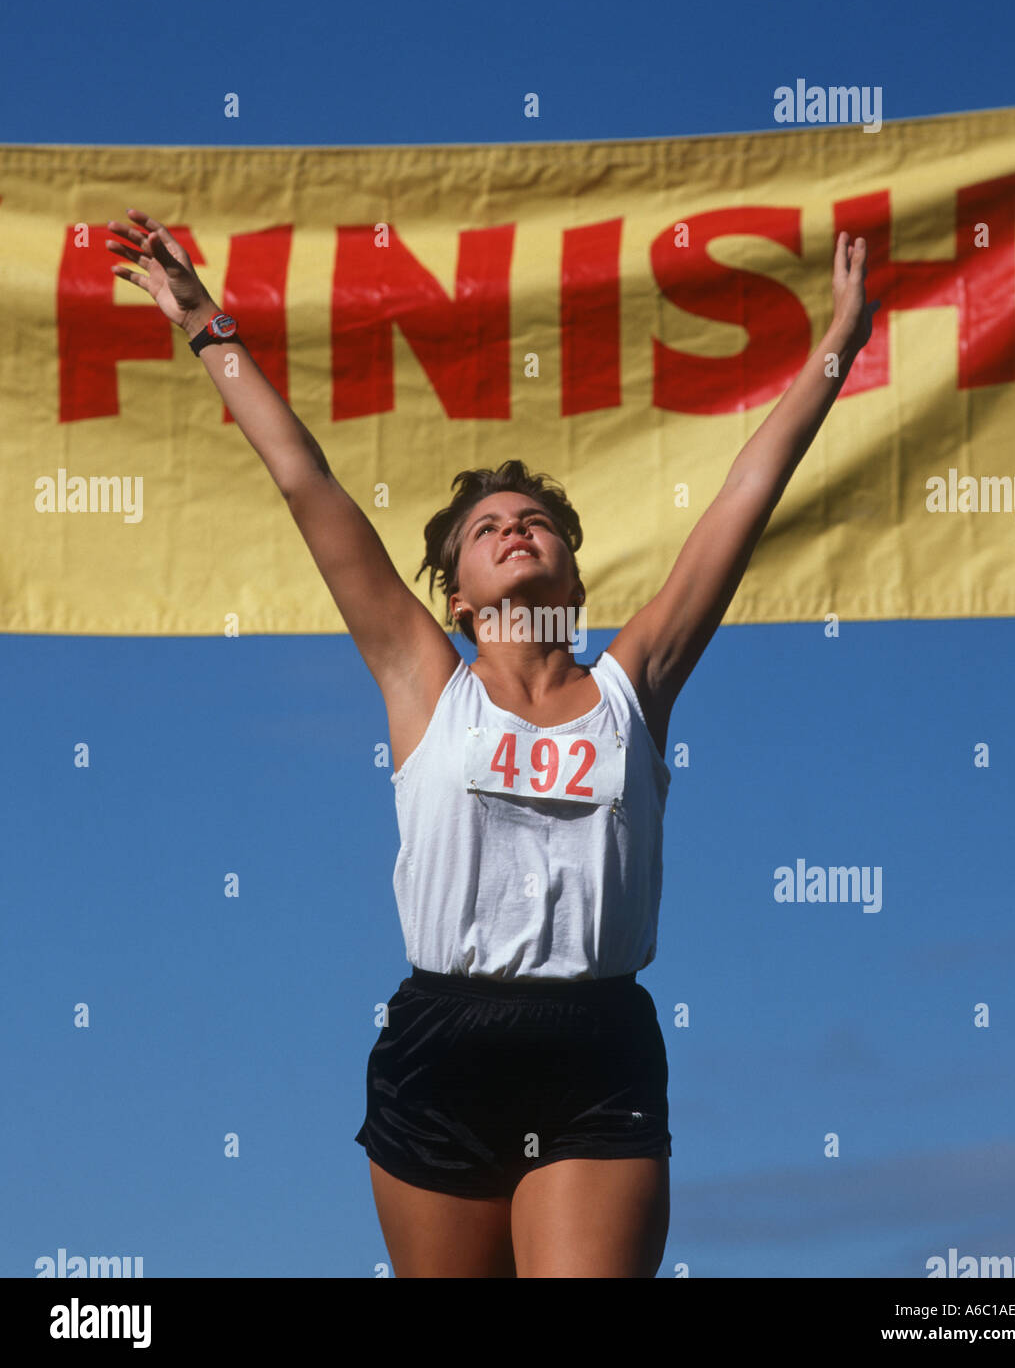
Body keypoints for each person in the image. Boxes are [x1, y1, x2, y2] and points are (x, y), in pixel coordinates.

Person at [106, 209, 879, 1277]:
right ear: (458, 596)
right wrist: (206, 326)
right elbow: (305, 481)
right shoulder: (425, 680)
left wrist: (837, 344)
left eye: (537, 523)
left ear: (572, 574)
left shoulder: (632, 683)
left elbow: (747, 496)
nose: (515, 529)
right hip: (440, 1043)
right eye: (486, 528)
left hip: (596, 1046)